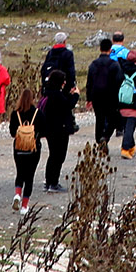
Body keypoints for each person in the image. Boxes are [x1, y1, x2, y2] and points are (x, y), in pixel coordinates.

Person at [38, 65, 79, 193]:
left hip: (50, 129)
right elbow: (67, 105)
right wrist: (76, 96)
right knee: (59, 156)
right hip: (59, 130)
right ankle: (53, 183)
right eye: (63, 80)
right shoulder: (57, 95)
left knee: (52, 155)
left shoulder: (49, 93)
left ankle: (49, 181)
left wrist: (68, 94)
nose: (65, 82)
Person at [7, 87, 42, 211]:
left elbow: (12, 132)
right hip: (33, 149)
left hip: (19, 148)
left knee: (20, 173)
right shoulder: (37, 113)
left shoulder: (15, 113)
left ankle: (17, 194)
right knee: (30, 176)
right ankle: (24, 206)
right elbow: (43, 130)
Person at [86, 41, 123, 152]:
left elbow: (89, 83)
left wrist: (89, 99)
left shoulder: (93, 64)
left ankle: (99, 140)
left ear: (100, 49)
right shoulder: (114, 65)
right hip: (111, 96)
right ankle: (105, 137)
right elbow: (119, 81)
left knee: (99, 118)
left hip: (96, 96)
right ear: (110, 49)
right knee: (113, 119)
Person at [115, 50, 136, 157]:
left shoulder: (120, 71)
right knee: (130, 128)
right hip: (135, 104)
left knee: (126, 127)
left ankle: (131, 147)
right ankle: (125, 149)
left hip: (121, 104)